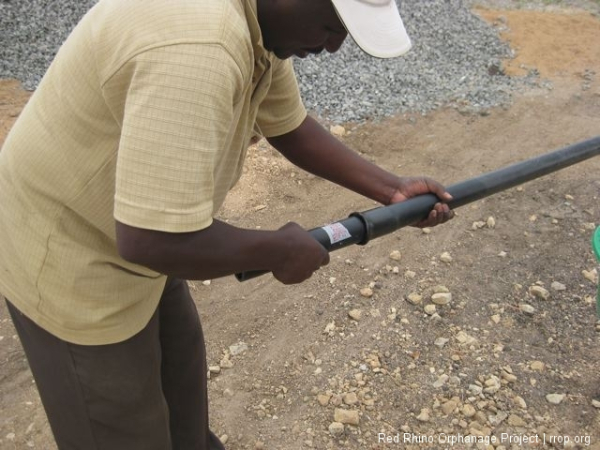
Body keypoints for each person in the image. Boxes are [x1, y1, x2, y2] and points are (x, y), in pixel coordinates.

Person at [0, 0, 454, 448]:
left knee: (183, 401)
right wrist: (276, 250)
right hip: (67, 255)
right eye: (333, 25)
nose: (335, 47)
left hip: (140, 237)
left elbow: (287, 124)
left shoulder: (256, 24)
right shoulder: (203, 44)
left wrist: (392, 190)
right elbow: (151, 239)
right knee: (122, 425)